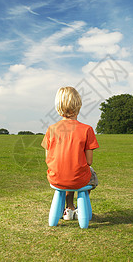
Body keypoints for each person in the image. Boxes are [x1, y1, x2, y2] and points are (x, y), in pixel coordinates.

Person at [41, 86, 99, 220]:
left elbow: (48, 158)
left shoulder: (51, 129)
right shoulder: (87, 129)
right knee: (88, 173)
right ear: (79, 105)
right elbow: (89, 161)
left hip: (55, 178)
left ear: (57, 106)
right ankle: (79, 208)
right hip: (78, 178)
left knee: (68, 170)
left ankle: (69, 208)